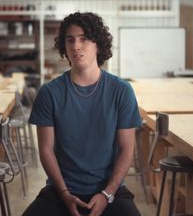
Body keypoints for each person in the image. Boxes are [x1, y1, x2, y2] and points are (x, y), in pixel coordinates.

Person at [23, 12, 142, 216]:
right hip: (61, 190)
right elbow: (46, 150)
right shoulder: (49, 92)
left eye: (84, 39)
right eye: (70, 40)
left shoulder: (121, 91)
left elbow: (126, 149)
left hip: (110, 190)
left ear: (98, 44)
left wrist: (107, 194)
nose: (76, 46)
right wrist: (63, 193)